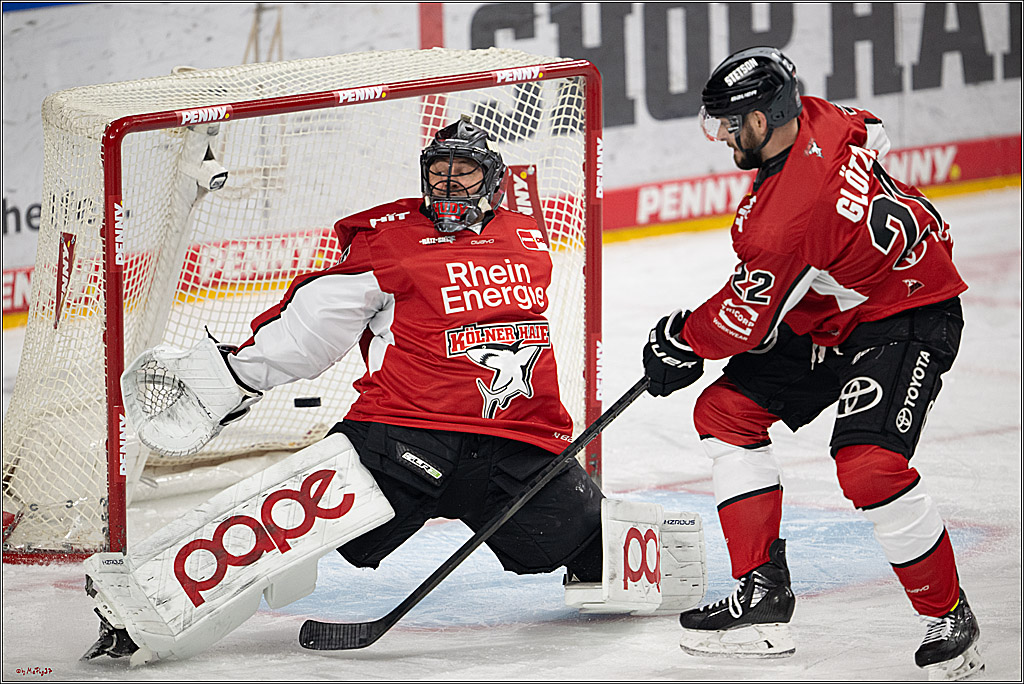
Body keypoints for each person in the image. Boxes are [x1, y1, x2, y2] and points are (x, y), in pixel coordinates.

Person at [83, 117, 702, 665]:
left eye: (465, 176)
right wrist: (239, 374)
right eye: (439, 175)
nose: (449, 188)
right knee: (287, 526)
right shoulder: (393, 241)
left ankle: (632, 564)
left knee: (575, 535)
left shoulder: (527, 235)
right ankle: (142, 605)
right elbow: (311, 327)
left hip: (520, 447)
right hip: (405, 437)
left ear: (492, 181)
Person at [641, 47, 983, 680]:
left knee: (869, 468)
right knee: (724, 412)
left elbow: (745, 319)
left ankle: (949, 615)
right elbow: (871, 129)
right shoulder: (825, 117)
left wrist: (681, 340)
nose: (722, 137)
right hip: (843, 307)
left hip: (910, 309)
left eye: (729, 124)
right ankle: (762, 594)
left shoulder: (783, 222)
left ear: (764, 122)